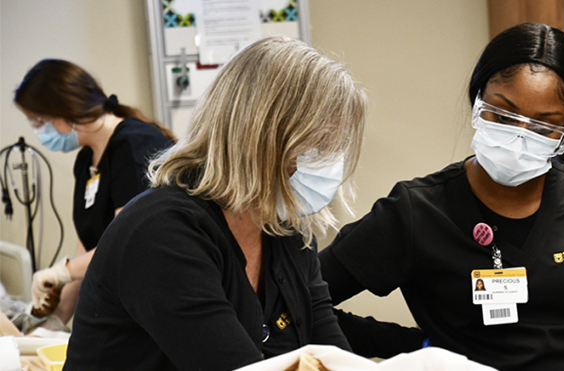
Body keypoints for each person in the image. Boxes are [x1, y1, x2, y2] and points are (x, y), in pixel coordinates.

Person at [318, 22, 564, 371]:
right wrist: (410, 347)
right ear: (478, 101)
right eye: (503, 114)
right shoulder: (417, 212)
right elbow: (299, 301)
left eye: (544, 126)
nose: (520, 137)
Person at [65, 36, 364, 370]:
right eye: (316, 145)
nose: (325, 162)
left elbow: (332, 353)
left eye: (331, 146)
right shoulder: (162, 234)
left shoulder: (285, 231)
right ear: (256, 136)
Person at [13, 59, 175, 329]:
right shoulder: (87, 159)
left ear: (66, 110)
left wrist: (61, 270)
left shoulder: (134, 145)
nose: (38, 132)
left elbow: (126, 246)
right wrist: (54, 322)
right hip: (125, 304)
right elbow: (87, 255)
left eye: (39, 121)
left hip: (161, 302)